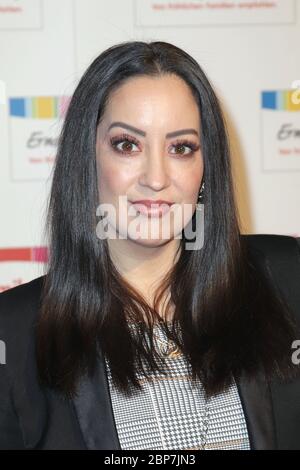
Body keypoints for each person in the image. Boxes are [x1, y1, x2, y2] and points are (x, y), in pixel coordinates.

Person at [0, 40, 300, 451]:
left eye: (181, 147)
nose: (156, 178)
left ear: (205, 168)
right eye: (128, 145)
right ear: (87, 159)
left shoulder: (286, 280)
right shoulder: (13, 334)